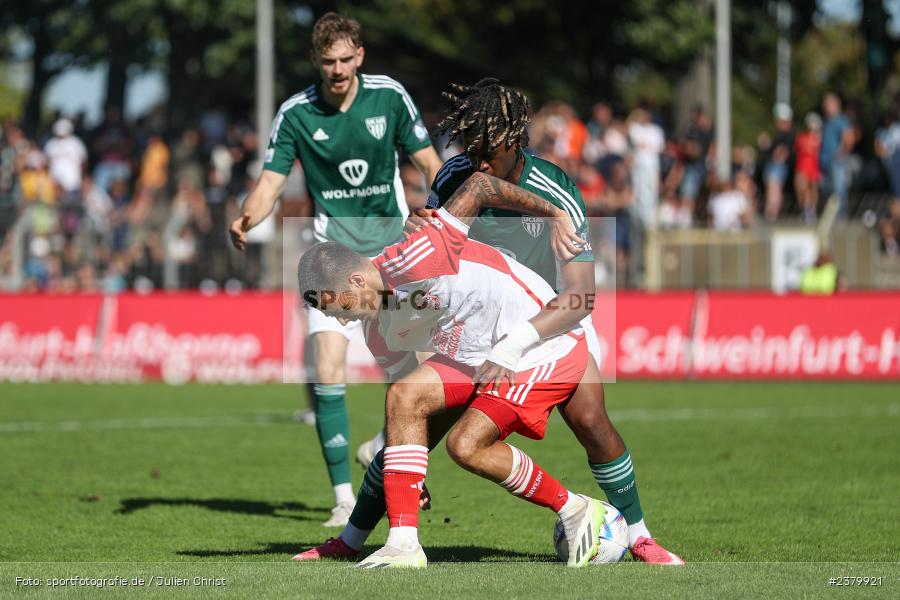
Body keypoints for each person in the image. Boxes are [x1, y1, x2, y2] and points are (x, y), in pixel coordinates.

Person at [295, 80, 682, 566]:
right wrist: (422, 224)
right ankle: (356, 539)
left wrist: (517, 340)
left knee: (589, 420)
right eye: (470, 149)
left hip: (546, 322)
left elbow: (580, 297)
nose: (477, 161)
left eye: (488, 151)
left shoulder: (555, 188)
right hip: (473, 325)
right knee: (406, 420)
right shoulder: (456, 174)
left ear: (516, 140)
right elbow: (434, 251)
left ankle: (638, 534)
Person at [298, 174, 608, 568]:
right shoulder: (377, 328)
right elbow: (408, 399)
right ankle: (399, 546)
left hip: (535, 343)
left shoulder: (416, 255)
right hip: (475, 357)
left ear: (358, 281)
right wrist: (408, 465)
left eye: (339, 308)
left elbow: (479, 186)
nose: (342, 322)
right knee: (402, 400)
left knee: (465, 445)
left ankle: (577, 508)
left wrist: (555, 214)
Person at [228, 12, 443, 527]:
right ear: (316, 62)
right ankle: (344, 498)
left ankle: (379, 448)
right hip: (330, 262)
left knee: (427, 377)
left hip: (392, 262)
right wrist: (247, 216)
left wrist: (450, 212)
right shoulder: (297, 113)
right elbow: (271, 181)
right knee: (326, 367)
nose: (338, 69)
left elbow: (430, 164)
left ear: (360, 56)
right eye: (329, 61)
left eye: (347, 59)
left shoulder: (389, 96)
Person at [794, 113, 822, 224]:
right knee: (803, 189)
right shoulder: (801, 137)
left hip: (813, 166)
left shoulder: (818, 138)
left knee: (812, 190)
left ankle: (811, 210)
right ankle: (806, 210)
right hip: (802, 165)